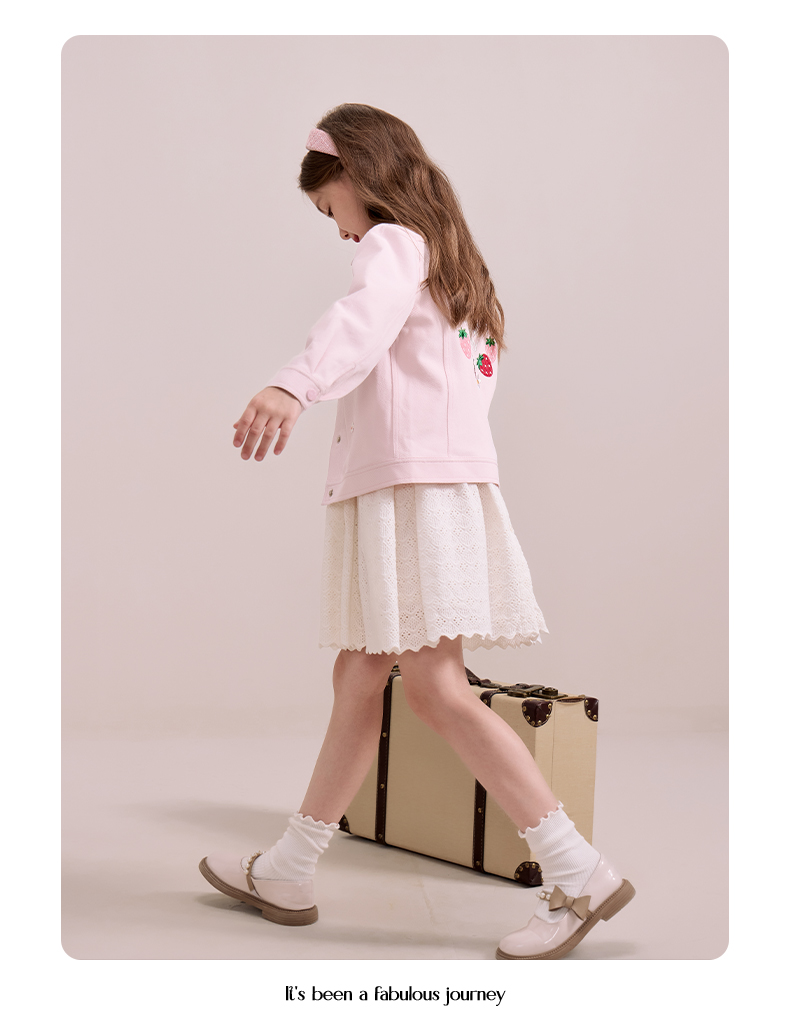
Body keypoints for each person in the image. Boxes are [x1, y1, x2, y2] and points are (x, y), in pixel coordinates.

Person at [199, 103, 634, 960]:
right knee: (361, 674)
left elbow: (360, 323)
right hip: (439, 487)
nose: (339, 230)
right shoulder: (457, 266)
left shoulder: (393, 246)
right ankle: (289, 868)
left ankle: (577, 869)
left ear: (355, 176)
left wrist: (294, 382)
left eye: (330, 208)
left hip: (410, 490)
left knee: (435, 687)